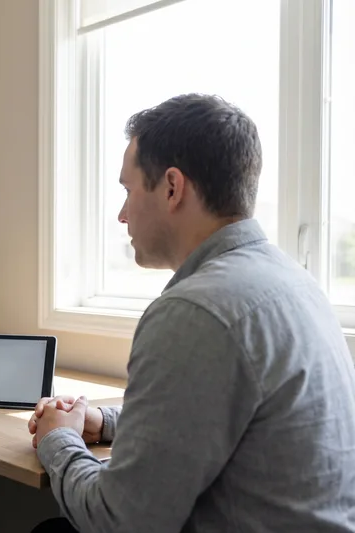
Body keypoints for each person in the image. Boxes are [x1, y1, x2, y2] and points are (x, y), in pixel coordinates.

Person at [28, 94, 355, 532]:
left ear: (171, 187)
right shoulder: (293, 283)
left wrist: (57, 438)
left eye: (128, 190)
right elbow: (209, 419)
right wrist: (103, 422)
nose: (122, 215)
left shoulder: (195, 311)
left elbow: (118, 521)